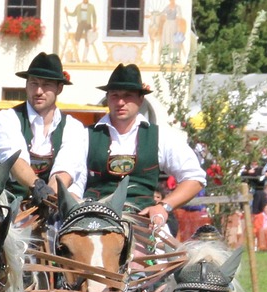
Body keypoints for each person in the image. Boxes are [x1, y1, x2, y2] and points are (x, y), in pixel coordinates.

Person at [83, 63, 205, 229]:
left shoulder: (162, 136)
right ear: (107, 98)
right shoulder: (85, 136)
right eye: (114, 95)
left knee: (167, 253)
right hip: (94, 222)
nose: (120, 102)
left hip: (144, 222)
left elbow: (195, 177)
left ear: (141, 99)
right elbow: (71, 177)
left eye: (128, 96)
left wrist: (164, 206)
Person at [0, 52, 88, 205]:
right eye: (34, 83)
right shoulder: (5, 119)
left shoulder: (74, 127)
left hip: (51, 206)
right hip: (6, 206)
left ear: (59, 88)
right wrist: (38, 187)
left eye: (46, 85)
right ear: (26, 85)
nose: (38, 91)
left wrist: (49, 198)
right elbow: (16, 162)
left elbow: (66, 169)